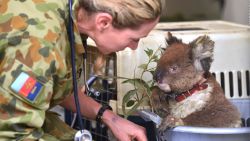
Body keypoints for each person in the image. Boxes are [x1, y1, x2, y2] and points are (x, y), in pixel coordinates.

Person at [0, 0, 163, 140]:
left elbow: (51, 85)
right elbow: (14, 135)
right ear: (103, 22)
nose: (134, 47)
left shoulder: (71, 13)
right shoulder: (41, 48)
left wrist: (111, 118)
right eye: (134, 39)